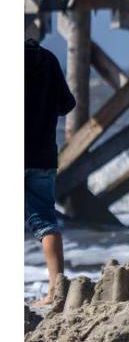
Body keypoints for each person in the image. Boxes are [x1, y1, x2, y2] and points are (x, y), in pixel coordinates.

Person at [25, 38, 76, 307]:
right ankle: (57, 289)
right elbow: (67, 104)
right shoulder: (48, 59)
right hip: (43, 154)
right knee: (45, 221)